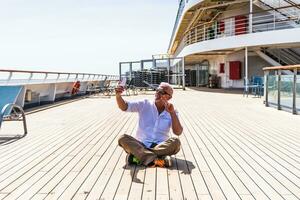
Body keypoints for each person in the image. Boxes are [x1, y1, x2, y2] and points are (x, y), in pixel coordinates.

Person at [115, 82, 183, 168]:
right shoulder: (145, 104)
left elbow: (178, 132)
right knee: (122, 138)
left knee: (176, 142)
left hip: (160, 146)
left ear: (169, 97)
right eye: (157, 90)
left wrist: (172, 113)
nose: (158, 93)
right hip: (141, 144)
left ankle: (138, 157)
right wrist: (118, 95)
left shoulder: (172, 111)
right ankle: (157, 160)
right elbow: (124, 107)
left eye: (162, 92)